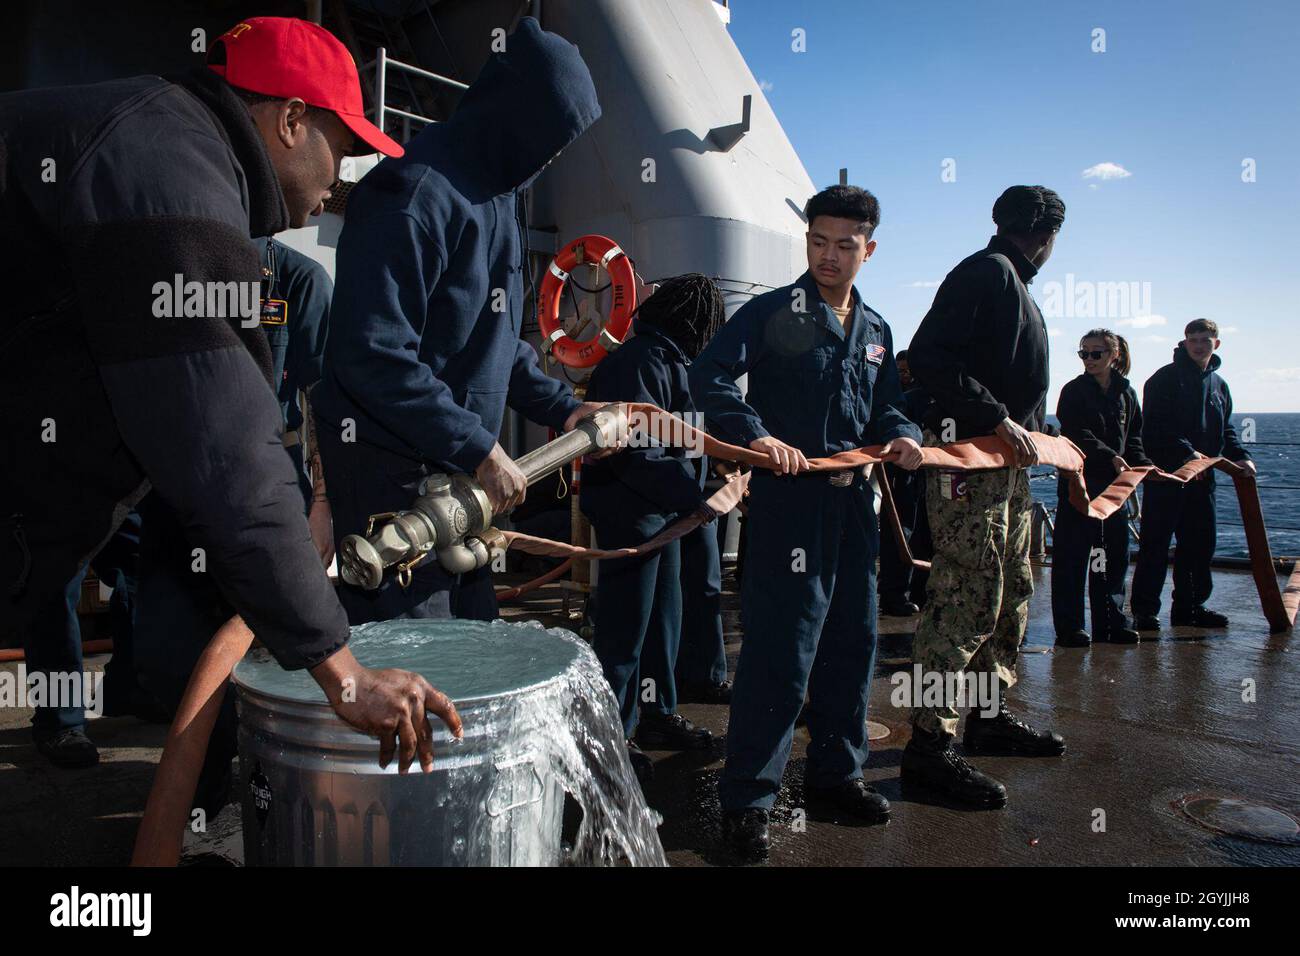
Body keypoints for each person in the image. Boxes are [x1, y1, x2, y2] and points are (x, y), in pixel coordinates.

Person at [1, 16, 462, 778]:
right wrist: (341, 672)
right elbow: (225, 448)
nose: (336, 184)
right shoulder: (170, 176)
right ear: (289, 120)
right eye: (341, 154)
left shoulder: (161, 142)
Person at [313, 17, 606, 626]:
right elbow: (372, 354)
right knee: (410, 669)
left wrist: (562, 408)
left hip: (457, 476)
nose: (551, 156)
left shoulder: (497, 197)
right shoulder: (415, 195)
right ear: (517, 116)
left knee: (472, 647)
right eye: (550, 137)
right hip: (392, 483)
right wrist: (477, 446)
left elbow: (495, 343)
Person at [690, 185, 922, 860]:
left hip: (856, 506)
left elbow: (887, 408)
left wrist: (903, 434)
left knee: (853, 644)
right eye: (817, 241)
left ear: (868, 249)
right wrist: (755, 435)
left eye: (843, 245)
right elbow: (709, 376)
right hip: (790, 505)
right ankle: (747, 803)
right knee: (780, 655)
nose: (827, 256)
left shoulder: (876, 331)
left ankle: (834, 778)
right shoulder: (769, 313)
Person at [129, 236, 336, 815]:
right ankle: (203, 790)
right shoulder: (171, 269)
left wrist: (322, 501)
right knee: (168, 658)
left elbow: (321, 396)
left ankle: (270, 789)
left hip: (265, 505)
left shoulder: (300, 284)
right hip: (178, 500)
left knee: (270, 653)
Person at [903, 185, 1068, 809]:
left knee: (1010, 593)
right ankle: (928, 751)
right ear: (1048, 236)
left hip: (1006, 467)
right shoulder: (986, 274)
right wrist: (997, 417)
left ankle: (988, 716)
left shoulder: (1013, 284)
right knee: (965, 595)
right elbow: (928, 357)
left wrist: (1031, 427)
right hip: (969, 459)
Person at [581, 275, 725, 776]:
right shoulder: (639, 362)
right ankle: (608, 735)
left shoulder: (673, 364)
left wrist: (710, 483)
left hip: (665, 513)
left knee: (663, 619)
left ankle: (656, 713)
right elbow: (641, 453)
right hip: (632, 514)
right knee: (625, 628)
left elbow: (686, 442)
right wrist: (699, 500)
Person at [1131, 319, 1255, 630]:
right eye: (1193, 339)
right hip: (1167, 478)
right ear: (1184, 342)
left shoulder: (1219, 386)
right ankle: (1145, 612)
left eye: (1205, 340)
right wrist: (1188, 454)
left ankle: (1190, 607)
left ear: (1217, 344)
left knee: (1199, 545)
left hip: (1205, 481)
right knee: (1155, 546)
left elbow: (1225, 429)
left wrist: (1242, 458)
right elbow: (1156, 426)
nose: (1199, 345)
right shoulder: (1164, 379)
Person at [1052, 329, 1150, 646]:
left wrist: (1142, 464)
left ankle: (1111, 623)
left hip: (1115, 489)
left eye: (1096, 353)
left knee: (1112, 557)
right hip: (1080, 485)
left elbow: (1134, 435)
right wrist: (1112, 458)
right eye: (1084, 353)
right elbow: (1076, 434)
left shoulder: (1127, 393)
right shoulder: (1073, 391)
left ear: (1114, 355)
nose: (1090, 359)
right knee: (1073, 556)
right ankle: (1071, 628)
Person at [877, 349, 933, 616]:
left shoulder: (924, 400)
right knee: (901, 533)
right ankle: (894, 594)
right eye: (901, 372)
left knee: (922, 535)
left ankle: (917, 592)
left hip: (926, 477)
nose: (906, 376)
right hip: (903, 477)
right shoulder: (911, 402)